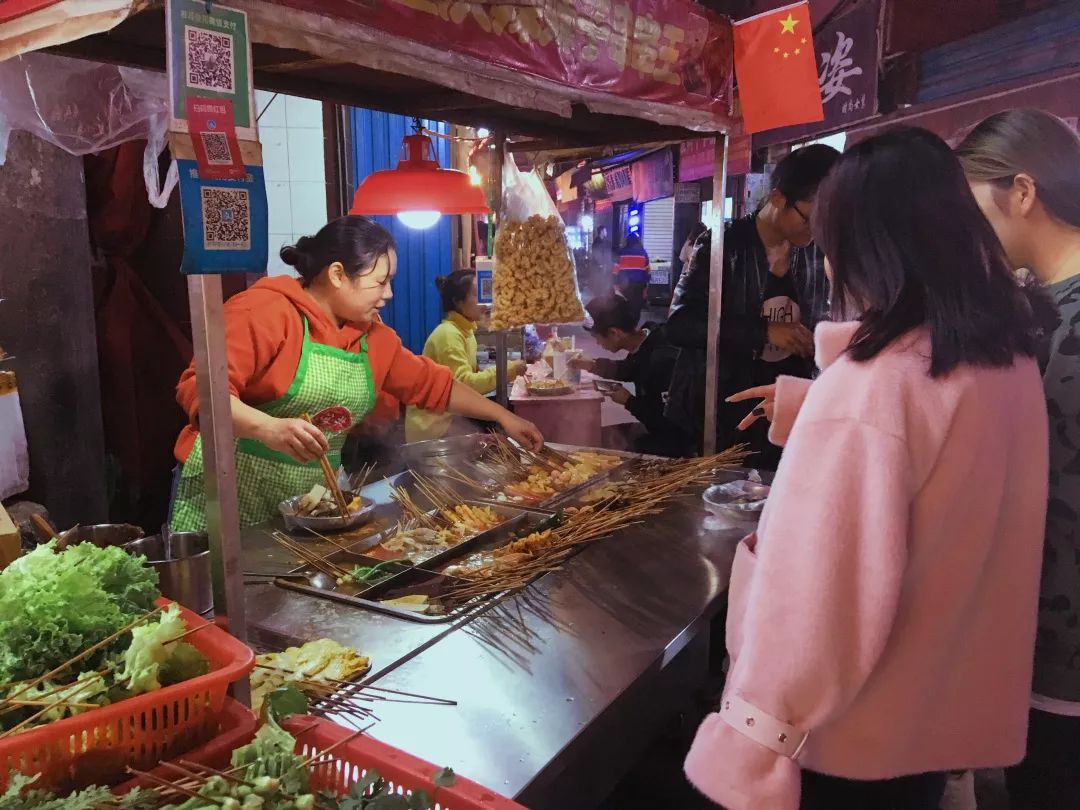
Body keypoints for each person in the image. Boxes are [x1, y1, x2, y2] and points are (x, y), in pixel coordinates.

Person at [684, 128, 1049, 810]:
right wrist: (819, 407)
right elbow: (942, 472)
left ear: (871, 250)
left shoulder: (873, 387)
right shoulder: (1006, 355)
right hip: (931, 712)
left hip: (847, 737)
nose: (825, 268)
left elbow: (823, 594)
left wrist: (754, 737)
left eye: (830, 247)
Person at [169, 216, 542, 531]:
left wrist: (501, 415)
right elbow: (202, 390)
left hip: (310, 497)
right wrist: (268, 428)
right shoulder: (265, 311)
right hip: (228, 488)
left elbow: (433, 385)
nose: (389, 293)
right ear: (337, 274)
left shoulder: (372, 337)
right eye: (380, 281)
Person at [957, 108, 1080, 810]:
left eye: (972, 205)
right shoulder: (1034, 304)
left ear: (1023, 191)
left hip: (1062, 646)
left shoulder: (1055, 315)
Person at [665, 144, 837, 465]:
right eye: (810, 219)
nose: (817, 231)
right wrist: (762, 331)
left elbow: (825, 317)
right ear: (777, 199)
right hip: (721, 411)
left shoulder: (816, 253)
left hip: (781, 411)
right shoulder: (722, 246)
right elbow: (680, 324)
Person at [405, 270, 526, 442]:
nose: (484, 302)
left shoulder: (466, 331)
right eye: (476, 295)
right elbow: (465, 384)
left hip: (452, 419)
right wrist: (510, 369)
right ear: (458, 302)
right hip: (434, 429)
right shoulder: (448, 335)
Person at [571, 292, 688, 457]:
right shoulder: (649, 336)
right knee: (601, 434)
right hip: (658, 428)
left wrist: (628, 401)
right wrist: (593, 365)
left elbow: (669, 421)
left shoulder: (662, 360)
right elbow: (631, 369)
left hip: (677, 441)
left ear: (614, 333)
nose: (597, 343)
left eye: (597, 338)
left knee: (603, 445)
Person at [615, 233, 650, 321]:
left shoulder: (621, 253)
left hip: (624, 285)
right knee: (636, 308)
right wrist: (646, 288)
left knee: (625, 307)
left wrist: (615, 284)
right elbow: (648, 272)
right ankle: (634, 325)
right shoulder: (643, 253)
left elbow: (615, 270)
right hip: (639, 285)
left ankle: (625, 325)